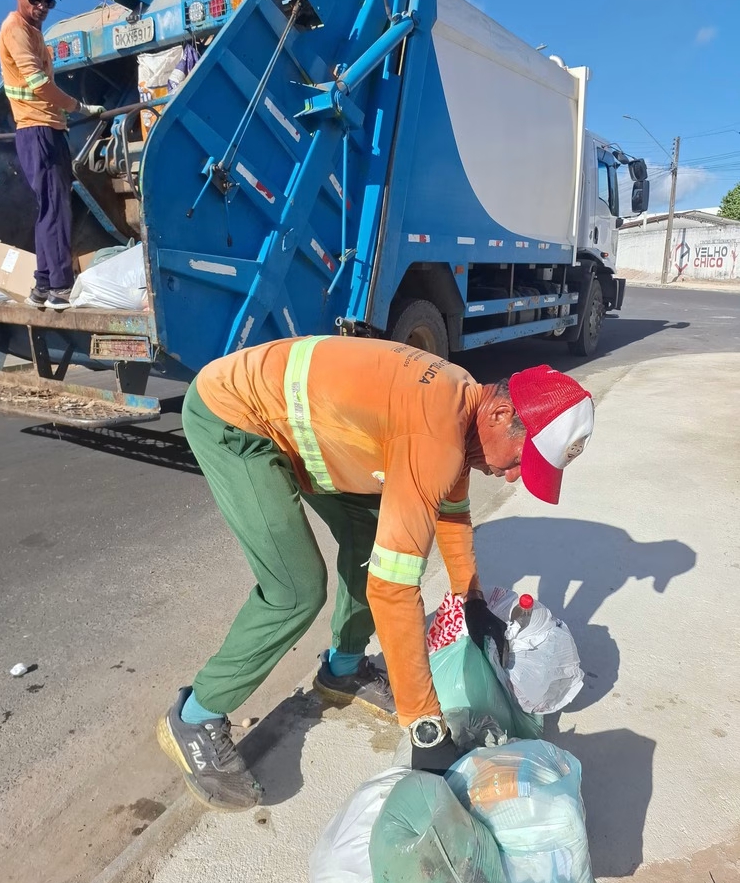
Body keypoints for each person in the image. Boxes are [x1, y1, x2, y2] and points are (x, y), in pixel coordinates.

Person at [157, 335, 594, 810]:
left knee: (369, 545)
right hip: (236, 418)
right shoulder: (436, 435)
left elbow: (451, 511)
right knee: (296, 589)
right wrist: (425, 725)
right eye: (519, 460)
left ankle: (342, 670)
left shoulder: (464, 404)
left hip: (313, 431)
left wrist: (472, 601)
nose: (512, 476)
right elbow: (394, 589)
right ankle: (196, 716)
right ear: (499, 415)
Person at [0, 0, 104, 311]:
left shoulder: (33, 31)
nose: (42, 7)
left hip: (43, 129)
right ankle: (59, 287)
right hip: (38, 130)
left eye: (49, 2)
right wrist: (80, 108)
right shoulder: (15, 29)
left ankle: (43, 285)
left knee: (49, 207)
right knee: (55, 209)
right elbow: (40, 84)